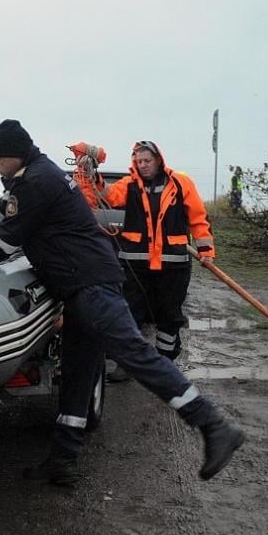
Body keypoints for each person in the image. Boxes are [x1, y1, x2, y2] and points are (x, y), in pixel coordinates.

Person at [0, 120, 244, 486]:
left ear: (13, 154)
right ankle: (63, 458)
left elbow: (5, 239)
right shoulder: (33, 177)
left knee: (134, 355)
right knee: (79, 370)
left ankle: (213, 425)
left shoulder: (37, 182)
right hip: (79, 287)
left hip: (91, 283)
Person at [103, 141, 215, 367]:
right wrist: (91, 177)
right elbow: (111, 196)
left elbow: (198, 218)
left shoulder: (180, 183)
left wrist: (206, 250)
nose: (143, 165)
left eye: (147, 161)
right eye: (139, 161)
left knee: (169, 316)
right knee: (130, 314)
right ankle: (129, 365)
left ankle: (164, 364)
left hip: (173, 265)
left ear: (158, 160)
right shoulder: (129, 185)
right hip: (136, 265)